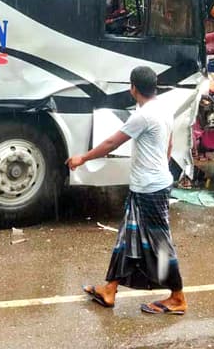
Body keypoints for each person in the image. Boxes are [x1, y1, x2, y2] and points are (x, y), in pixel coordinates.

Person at [68, 66, 187, 316]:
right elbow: (170, 143)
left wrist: (83, 158)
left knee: (161, 243)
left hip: (150, 190)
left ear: (133, 88)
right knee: (127, 238)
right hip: (148, 185)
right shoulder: (162, 109)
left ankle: (178, 296)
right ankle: (109, 289)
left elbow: (112, 142)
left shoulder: (142, 116)